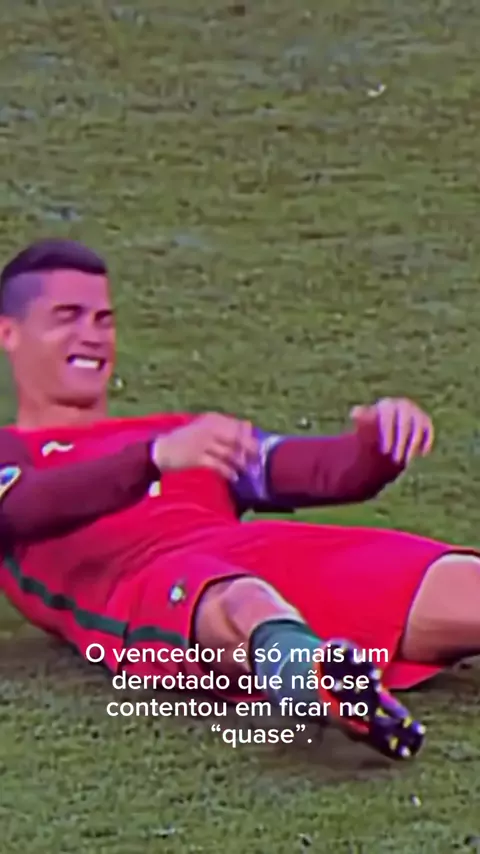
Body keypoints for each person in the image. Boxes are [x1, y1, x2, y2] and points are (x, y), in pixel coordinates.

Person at [0, 241, 474, 764]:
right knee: (237, 596)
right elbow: (20, 507)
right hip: (149, 583)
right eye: (67, 317)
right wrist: (151, 459)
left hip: (259, 549)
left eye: (103, 319)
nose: (91, 335)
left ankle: (335, 675)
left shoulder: (181, 431)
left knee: (457, 581)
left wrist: (378, 445)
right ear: (9, 333)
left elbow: (317, 470)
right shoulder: (16, 450)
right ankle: (314, 679)